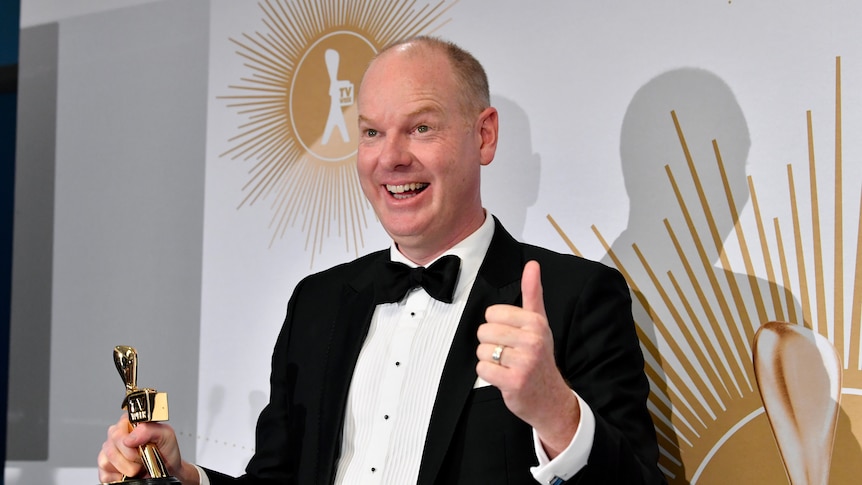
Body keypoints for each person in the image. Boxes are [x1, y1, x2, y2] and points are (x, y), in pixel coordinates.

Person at [98, 36, 665, 485]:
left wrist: (556, 413)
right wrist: (183, 477)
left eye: (421, 127)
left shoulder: (576, 298)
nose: (391, 158)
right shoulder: (316, 304)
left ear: (484, 136)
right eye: (372, 132)